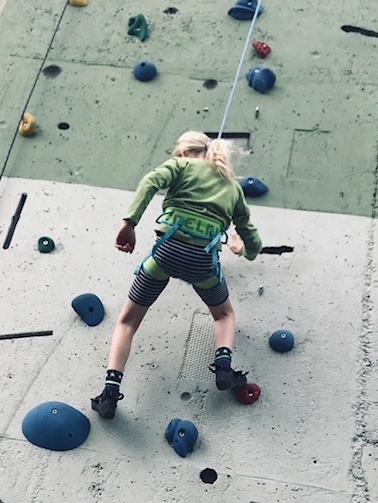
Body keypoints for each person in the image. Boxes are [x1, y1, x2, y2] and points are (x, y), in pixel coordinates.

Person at [91, 130, 263, 420]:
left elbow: (150, 181)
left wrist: (129, 223)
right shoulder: (233, 188)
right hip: (203, 262)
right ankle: (223, 365)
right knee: (223, 315)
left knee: (128, 322)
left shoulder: (180, 166)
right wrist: (240, 249)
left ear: (182, 151)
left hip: (165, 254)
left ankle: (110, 392)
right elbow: (254, 244)